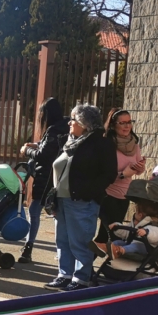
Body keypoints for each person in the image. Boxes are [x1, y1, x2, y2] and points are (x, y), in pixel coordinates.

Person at [46, 104, 117, 290]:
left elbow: (109, 174)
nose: (69, 122)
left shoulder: (101, 143)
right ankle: (65, 274)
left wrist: (88, 192)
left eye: (73, 119)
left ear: (85, 124)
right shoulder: (69, 141)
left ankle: (81, 278)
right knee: (62, 240)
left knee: (80, 242)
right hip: (61, 199)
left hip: (82, 201)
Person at [19, 97, 68, 264]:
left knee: (34, 212)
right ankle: (63, 254)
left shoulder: (53, 130)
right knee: (58, 216)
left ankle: (28, 247)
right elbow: (50, 147)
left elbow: (44, 155)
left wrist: (27, 151)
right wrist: (36, 144)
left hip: (46, 178)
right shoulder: (66, 127)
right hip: (62, 179)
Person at [97, 109, 146, 252]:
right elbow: (102, 173)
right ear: (113, 125)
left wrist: (139, 167)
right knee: (106, 234)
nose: (126, 126)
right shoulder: (107, 144)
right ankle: (85, 268)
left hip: (124, 195)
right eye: (122, 123)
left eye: (129, 122)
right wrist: (123, 174)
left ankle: (102, 268)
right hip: (107, 194)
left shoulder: (134, 143)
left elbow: (139, 170)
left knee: (114, 235)